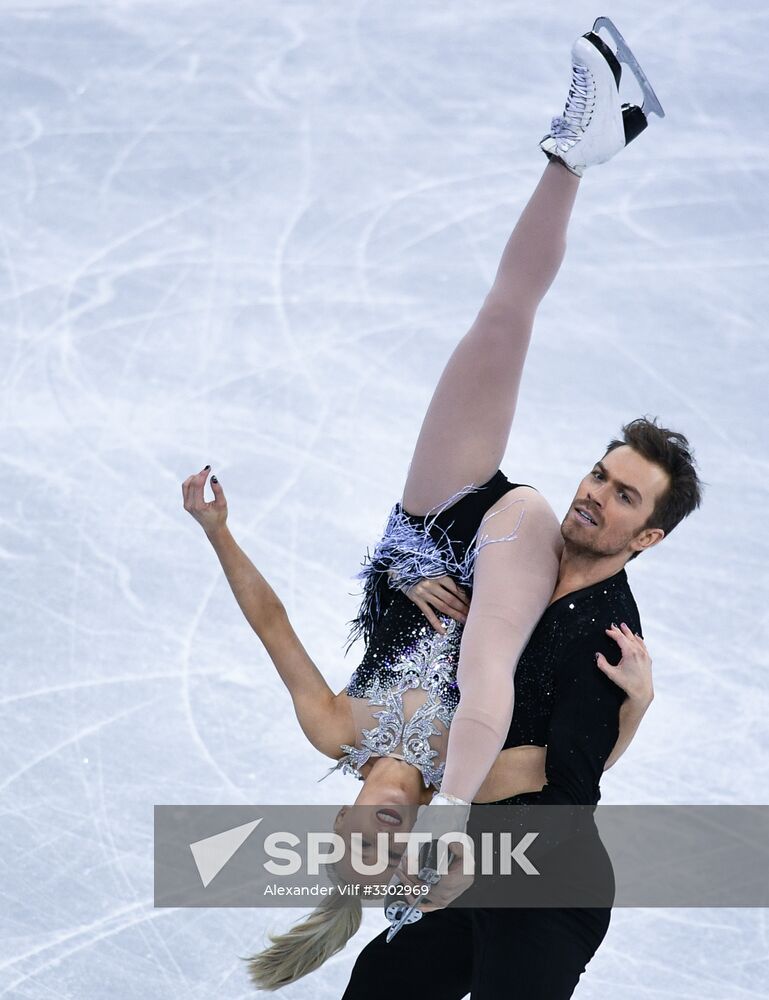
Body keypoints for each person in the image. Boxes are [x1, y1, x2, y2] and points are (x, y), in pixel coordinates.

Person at [180, 18, 688, 994]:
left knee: (500, 320)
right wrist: (640, 703)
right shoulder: (475, 778)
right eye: (388, 841)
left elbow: (272, 622)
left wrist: (219, 532)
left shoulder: (339, 726)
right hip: (506, 564)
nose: (372, 827)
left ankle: (583, 147)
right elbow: (575, 771)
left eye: (353, 837)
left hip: (430, 530)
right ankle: (589, 141)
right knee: (489, 660)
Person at [339, 21, 703, 1000]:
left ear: (650, 535)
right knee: (377, 993)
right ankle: (582, 151)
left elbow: (554, 769)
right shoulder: (531, 549)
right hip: (481, 847)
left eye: (622, 495)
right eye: (601, 471)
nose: (595, 490)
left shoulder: (610, 636)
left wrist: (438, 813)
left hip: (544, 883)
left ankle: (578, 151)